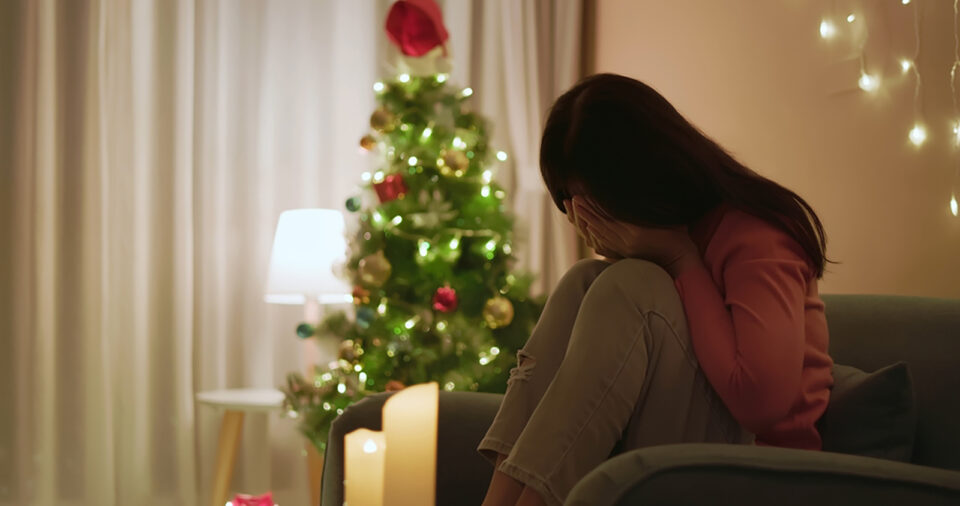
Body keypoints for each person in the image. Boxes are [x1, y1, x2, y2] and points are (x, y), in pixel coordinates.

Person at [478, 73, 834, 506]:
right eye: (572, 204)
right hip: (684, 446)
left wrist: (680, 259)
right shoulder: (664, 244)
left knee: (630, 285)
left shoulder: (757, 235)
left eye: (594, 202)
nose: (586, 219)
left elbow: (762, 403)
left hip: (765, 472)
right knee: (583, 281)